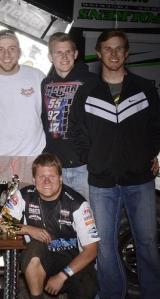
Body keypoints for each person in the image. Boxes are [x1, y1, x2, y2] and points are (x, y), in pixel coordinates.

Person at [69, 29, 160, 299]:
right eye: (107, 48)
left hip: (140, 180)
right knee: (105, 245)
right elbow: (76, 131)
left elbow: (156, 128)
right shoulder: (87, 92)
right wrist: (92, 158)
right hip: (101, 183)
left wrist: (147, 155)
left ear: (126, 53)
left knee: (147, 243)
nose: (113, 53)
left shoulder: (144, 88)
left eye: (119, 48)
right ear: (99, 53)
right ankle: (111, 294)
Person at [9, 153, 99, 299]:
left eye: (52, 176)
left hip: (73, 264)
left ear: (61, 178)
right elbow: (0, 223)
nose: (46, 181)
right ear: (34, 179)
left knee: (87, 286)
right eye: (41, 177)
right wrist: (27, 229)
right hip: (42, 262)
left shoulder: (78, 203)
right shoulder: (23, 195)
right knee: (33, 251)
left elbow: (92, 250)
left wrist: (63, 275)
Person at [41, 32, 99, 199]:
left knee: (87, 219)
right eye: (59, 52)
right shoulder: (46, 83)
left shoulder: (92, 82)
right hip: (55, 166)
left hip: (83, 166)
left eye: (68, 52)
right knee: (60, 220)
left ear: (75, 54)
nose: (64, 57)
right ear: (50, 57)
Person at [0, 29, 46, 156]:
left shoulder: (37, 76)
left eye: (12, 48)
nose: (7, 54)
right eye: (0, 49)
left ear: (19, 52)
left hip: (34, 158)